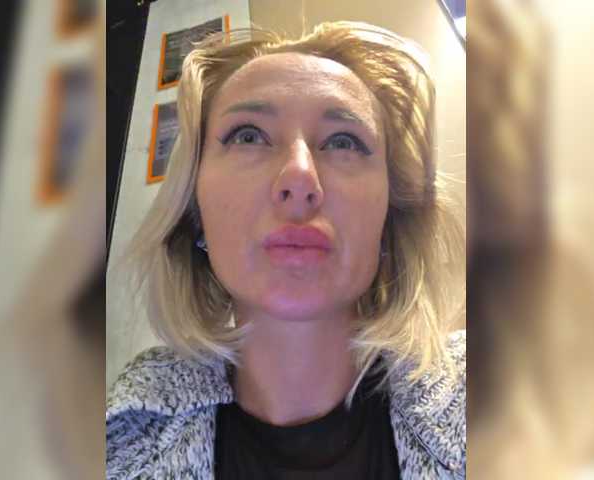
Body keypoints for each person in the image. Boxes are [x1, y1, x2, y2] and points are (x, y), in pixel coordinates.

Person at [107, 21, 465, 479]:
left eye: (344, 142)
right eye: (248, 135)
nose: (299, 176)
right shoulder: (119, 443)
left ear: (388, 220)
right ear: (195, 213)